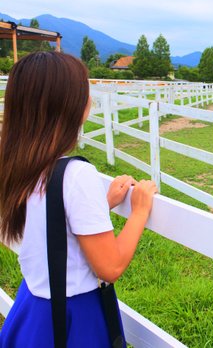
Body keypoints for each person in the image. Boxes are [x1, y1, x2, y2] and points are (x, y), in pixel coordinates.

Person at [0, 51, 158, 347]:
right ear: (67, 105)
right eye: (84, 90)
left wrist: (101, 205)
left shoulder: (15, 165)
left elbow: (47, 219)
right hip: (73, 315)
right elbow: (109, 267)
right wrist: (139, 211)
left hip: (32, 307)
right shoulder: (76, 174)